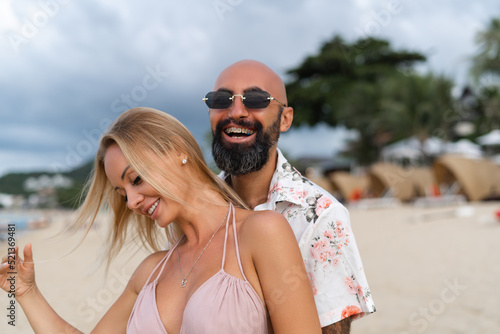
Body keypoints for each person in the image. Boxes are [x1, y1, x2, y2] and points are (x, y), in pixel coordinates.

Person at [0, 107, 321, 333]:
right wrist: (27, 292)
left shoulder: (260, 233)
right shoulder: (150, 271)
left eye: (136, 179)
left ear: (177, 151)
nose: (132, 201)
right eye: (122, 192)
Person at [204, 60, 376, 333]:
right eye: (221, 99)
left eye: (256, 99)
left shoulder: (320, 215)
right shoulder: (197, 207)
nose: (235, 111)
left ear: (285, 119)